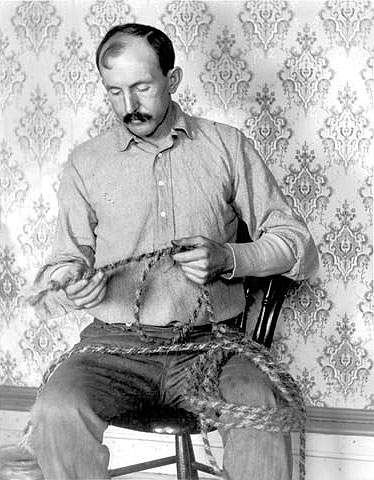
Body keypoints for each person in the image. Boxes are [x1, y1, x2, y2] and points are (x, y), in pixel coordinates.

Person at [27, 23, 319, 480]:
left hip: (212, 346)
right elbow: (64, 260)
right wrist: (72, 282)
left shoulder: (226, 146)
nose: (129, 106)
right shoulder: (85, 163)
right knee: (58, 407)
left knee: (261, 403)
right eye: (115, 92)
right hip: (115, 347)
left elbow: (298, 245)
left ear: (173, 80)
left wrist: (229, 257)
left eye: (142, 87)